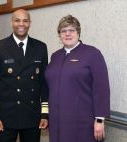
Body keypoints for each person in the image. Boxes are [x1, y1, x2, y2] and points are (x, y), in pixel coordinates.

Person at [45, 14, 110, 142]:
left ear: (78, 32)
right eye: (63, 31)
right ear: (59, 35)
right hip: (57, 121)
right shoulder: (55, 56)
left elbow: (101, 88)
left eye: (71, 30)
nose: (67, 34)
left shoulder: (92, 54)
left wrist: (99, 120)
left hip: (82, 123)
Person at [0, 9, 48, 142]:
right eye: (17, 20)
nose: (21, 24)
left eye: (25, 21)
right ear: (11, 23)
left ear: (30, 23)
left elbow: (43, 83)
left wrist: (44, 114)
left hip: (32, 115)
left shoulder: (41, 47)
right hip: (6, 117)